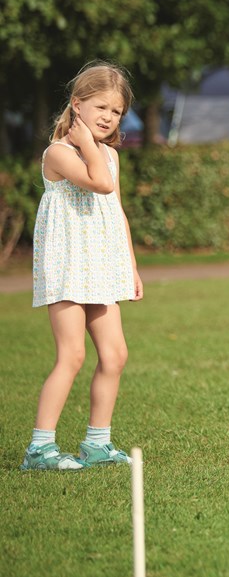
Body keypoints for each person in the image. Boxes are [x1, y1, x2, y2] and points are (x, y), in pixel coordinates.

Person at [21, 61, 143, 471]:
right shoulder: (59, 153)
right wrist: (88, 144)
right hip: (69, 266)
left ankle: (96, 443)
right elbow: (99, 183)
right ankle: (40, 449)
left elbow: (116, 207)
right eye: (101, 108)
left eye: (116, 112)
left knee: (115, 355)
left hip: (102, 268)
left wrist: (131, 265)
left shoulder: (109, 154)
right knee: (71, 355)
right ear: (77, 105)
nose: (108, 118)